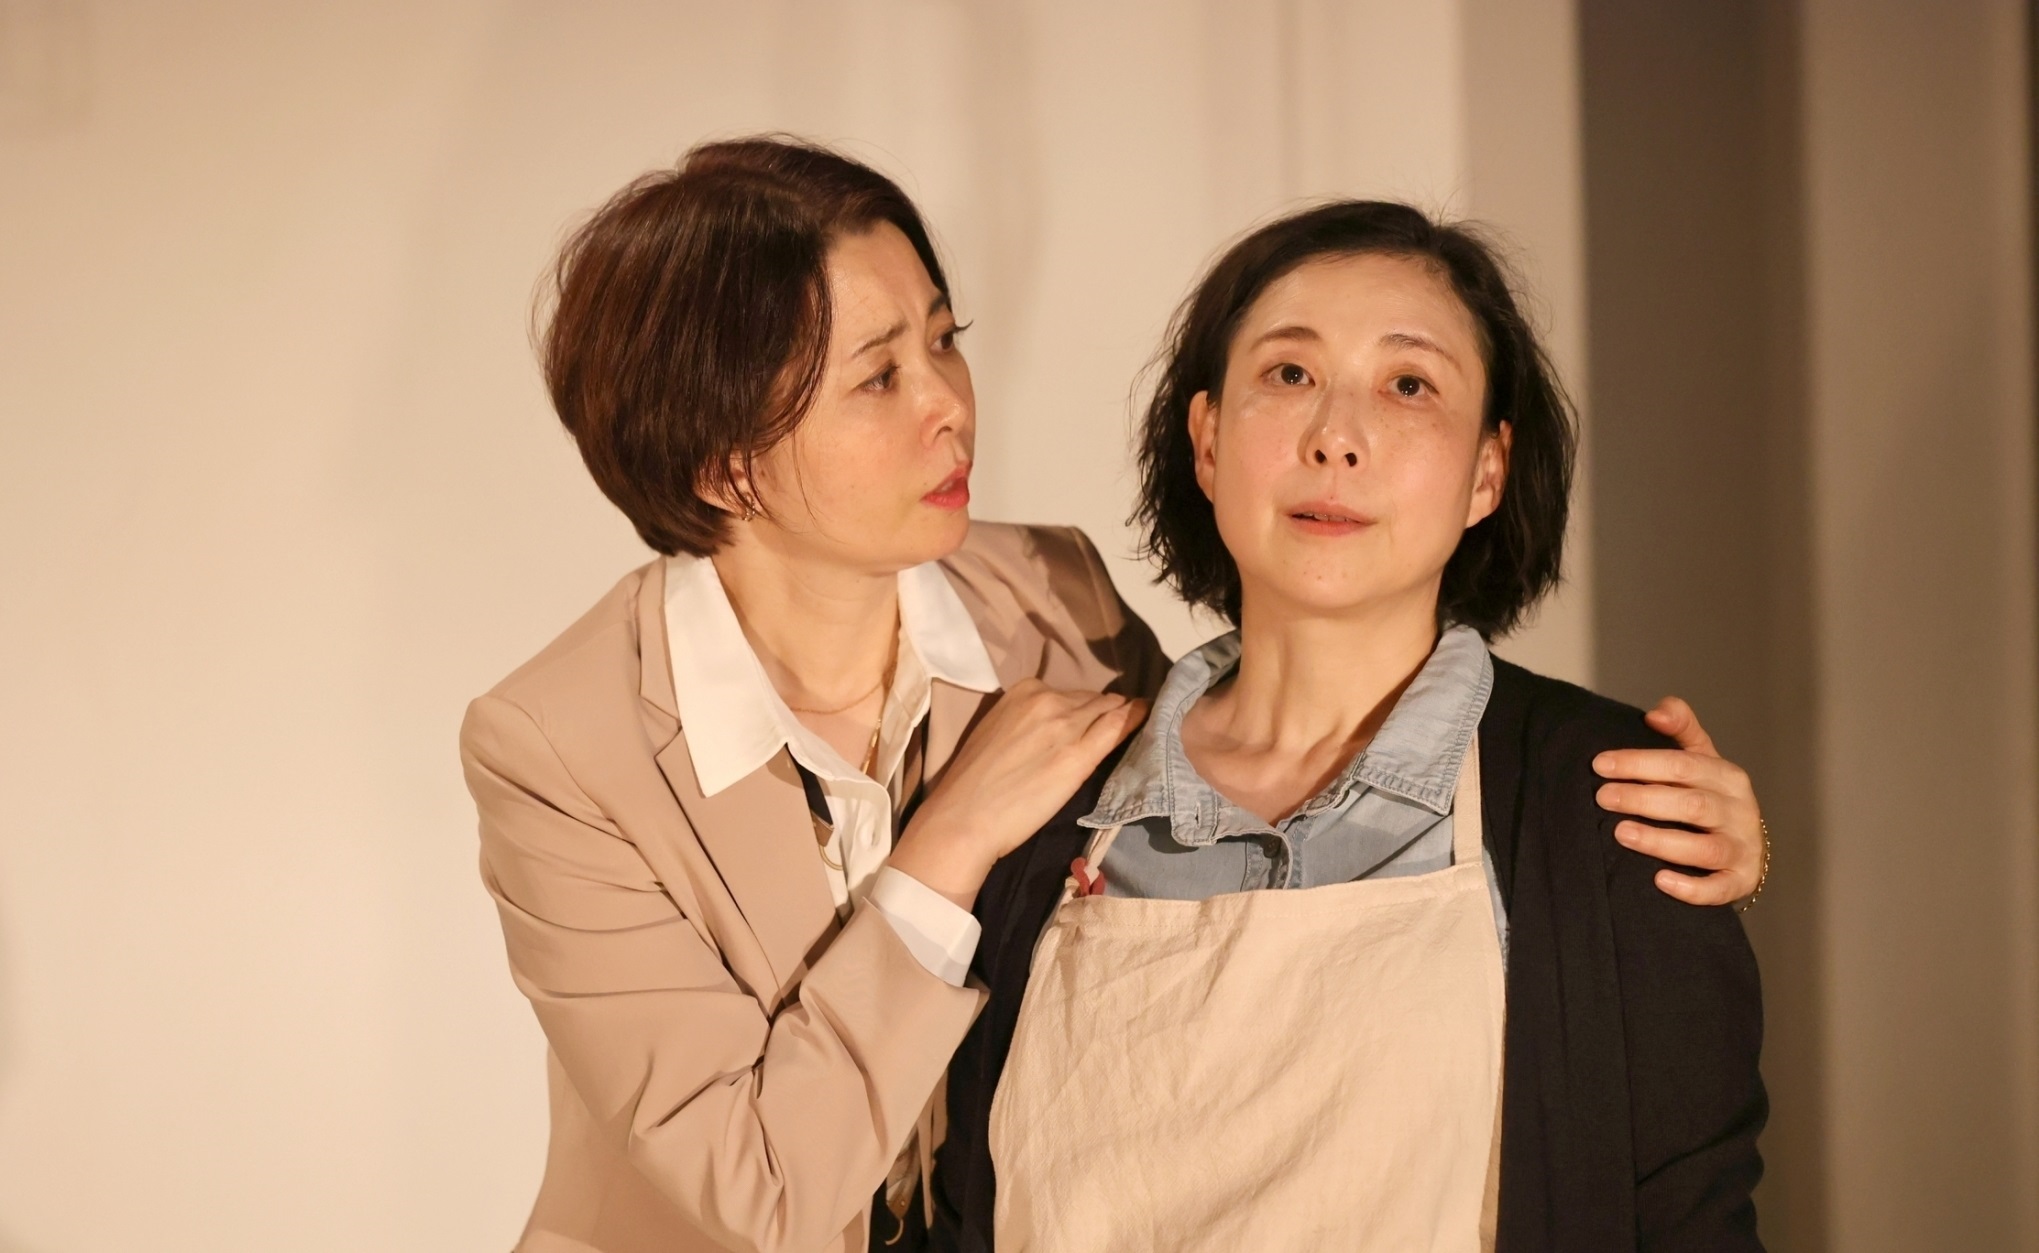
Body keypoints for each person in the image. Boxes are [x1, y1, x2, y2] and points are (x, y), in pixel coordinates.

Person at [460, 139, 1769, 1253]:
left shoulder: (1052, 606)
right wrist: (948, 841)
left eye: (943, 342)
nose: (949, 406)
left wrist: (1707, 862)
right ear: (726, 464)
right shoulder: (560, 749)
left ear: (1489, 468)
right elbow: (759, 1186)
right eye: (878, 377)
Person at [934, 201, 1767, 1252]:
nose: (1335, 437)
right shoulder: (1049, 807)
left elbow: (1692, 1223)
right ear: (1205, 440)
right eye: (1289, 374)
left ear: (1486, 471)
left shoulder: (1611, 805)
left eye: (1408, 385)